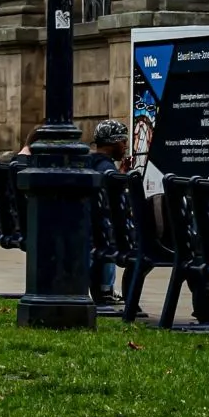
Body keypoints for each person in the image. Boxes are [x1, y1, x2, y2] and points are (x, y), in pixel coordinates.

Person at [87, 119, 129, 307]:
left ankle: (104, 288)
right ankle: (107, 289)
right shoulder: (107, 170)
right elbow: (117, 205)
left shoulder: (89, 163)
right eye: (123, 141)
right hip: (104, 234)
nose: (126, 146)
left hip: (89, 228)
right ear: (113, 143)